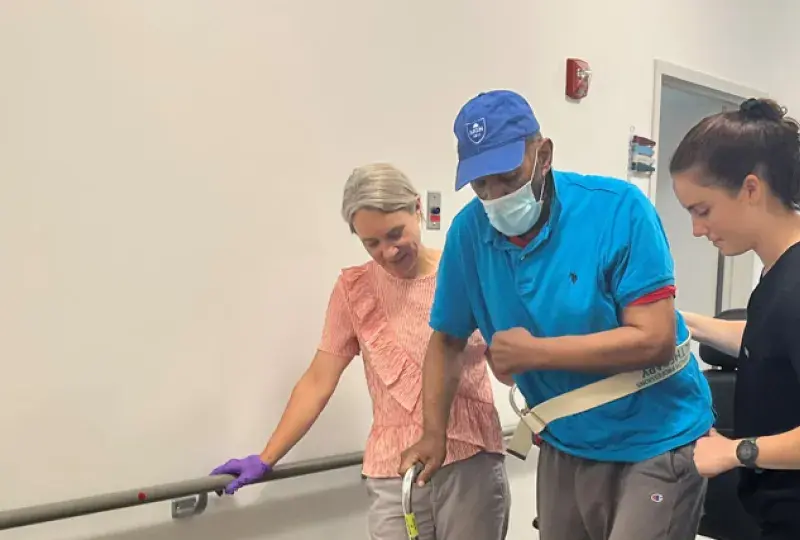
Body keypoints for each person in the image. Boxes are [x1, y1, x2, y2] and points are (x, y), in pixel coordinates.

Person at [399, 89, 714, 540]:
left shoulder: (618, 210)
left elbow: (654, 338)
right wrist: (434, 432)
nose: (494, 196)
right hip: (565, 438)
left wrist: (536, 353)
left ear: (542, 154)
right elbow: (447, 340)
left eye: (507, 179)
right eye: (480, 185)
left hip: (655, 437)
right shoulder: (470, 232)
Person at [210, 163, 510, 540]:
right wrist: (267, 456)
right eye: (372, 243)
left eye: (394, 233)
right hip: (393, 472)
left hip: (470, 462)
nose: (387, 251)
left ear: (418, 208)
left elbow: (510, 359)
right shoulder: (355, 290)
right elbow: (318, 380)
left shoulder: (464, 269)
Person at [672, 97, 800, 539]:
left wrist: (736, 452)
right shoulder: (778, 274)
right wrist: (683, 322)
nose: (696, 229)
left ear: (750, 189)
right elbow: (768, 339)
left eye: (702, 210)